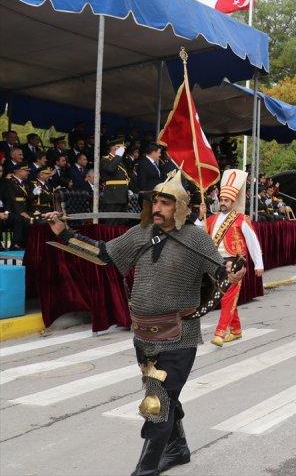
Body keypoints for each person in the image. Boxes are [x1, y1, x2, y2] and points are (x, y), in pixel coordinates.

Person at [45, 170, 246, 475]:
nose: (158, 208)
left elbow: (220, 270)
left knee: (157, 400)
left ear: (180, 206)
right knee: (165, 392)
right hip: (144, 335)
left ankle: (145, 469)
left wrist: (232, 271)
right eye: (156, 202)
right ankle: (177, 448)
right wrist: (64, 233)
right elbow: (103, 254)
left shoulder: (195, 238)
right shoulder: (140, 233)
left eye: (166, 203)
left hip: (179, 334)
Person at [199, 169, 264, 347]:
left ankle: (220, 333)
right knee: (226, 296)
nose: (223, 203)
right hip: (217, 264)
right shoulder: (211, 219)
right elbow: (199, 231)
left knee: (227, 296)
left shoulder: (241, 219)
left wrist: (258, 264)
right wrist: (200, 215)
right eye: (221, 200)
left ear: (233, 202)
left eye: (226, 200)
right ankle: (236, 330)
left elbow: (252, 241)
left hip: (235, 263)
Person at [1, 162, 32, 248]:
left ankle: (29, 243)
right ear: (18, 171)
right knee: (21, 219)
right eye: (26, 170)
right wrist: (20, 212)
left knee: (35, 219)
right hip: (13, 210)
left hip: (25, 209)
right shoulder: (9, 182)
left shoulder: (25, 183)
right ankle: (17, 243)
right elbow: (11, 199)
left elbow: (27, 199)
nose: (28, 172)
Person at [100, 136, 131, 218]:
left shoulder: (119, 161)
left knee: (121, 221)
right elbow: (110, 169)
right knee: (112, 221)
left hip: (122, 195)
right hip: (113, 196)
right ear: (114, 148)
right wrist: (118, 156)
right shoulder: (105, 160)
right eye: (119, 147)